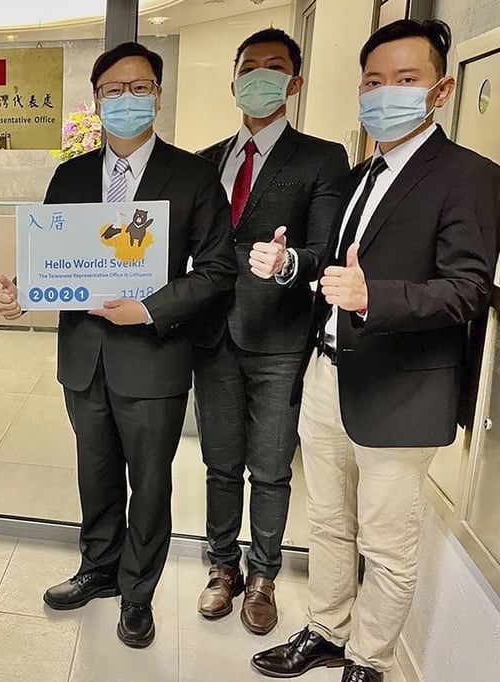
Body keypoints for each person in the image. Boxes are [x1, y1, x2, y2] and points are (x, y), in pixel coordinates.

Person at [252, 20, 500, 682]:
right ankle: (328, 632)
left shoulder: (470, 177)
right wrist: (288, 264)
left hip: (403, 389)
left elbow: (466, 291)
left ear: (442, 89)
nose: (384, 93)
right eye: (373, 81)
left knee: (386, 547)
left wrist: (372, 298)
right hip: (329, 375)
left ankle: (369, 661)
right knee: (330, 525)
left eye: (406, 80)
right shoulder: (362, 174)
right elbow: (335, 264)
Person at [0, 42, 237, 648]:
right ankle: (98, 569)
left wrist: (151, 308)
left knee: (150, 483)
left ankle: (138, 593)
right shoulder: (71, 175)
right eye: (113, 90)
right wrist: (24, 291)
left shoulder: (193, 175)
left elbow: (215, 270)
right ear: (97, 99)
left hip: (153, 359)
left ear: (158, 94)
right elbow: (54, 259)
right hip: (83, 357)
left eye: (139, 88)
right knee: (96, 473)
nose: (126, 100)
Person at [192, 29, 349, 635]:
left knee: (272, 467)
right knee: (220, 463)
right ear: (232, 82)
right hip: (212, 336)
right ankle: (222, 569)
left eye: (274, 68)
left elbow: (324, 249)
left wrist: (289, 265)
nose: (260, 78)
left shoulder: (321, 157)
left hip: (280, 338)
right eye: (249, 68)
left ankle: (263, 576)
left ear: (295, 82)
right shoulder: (205, 161)